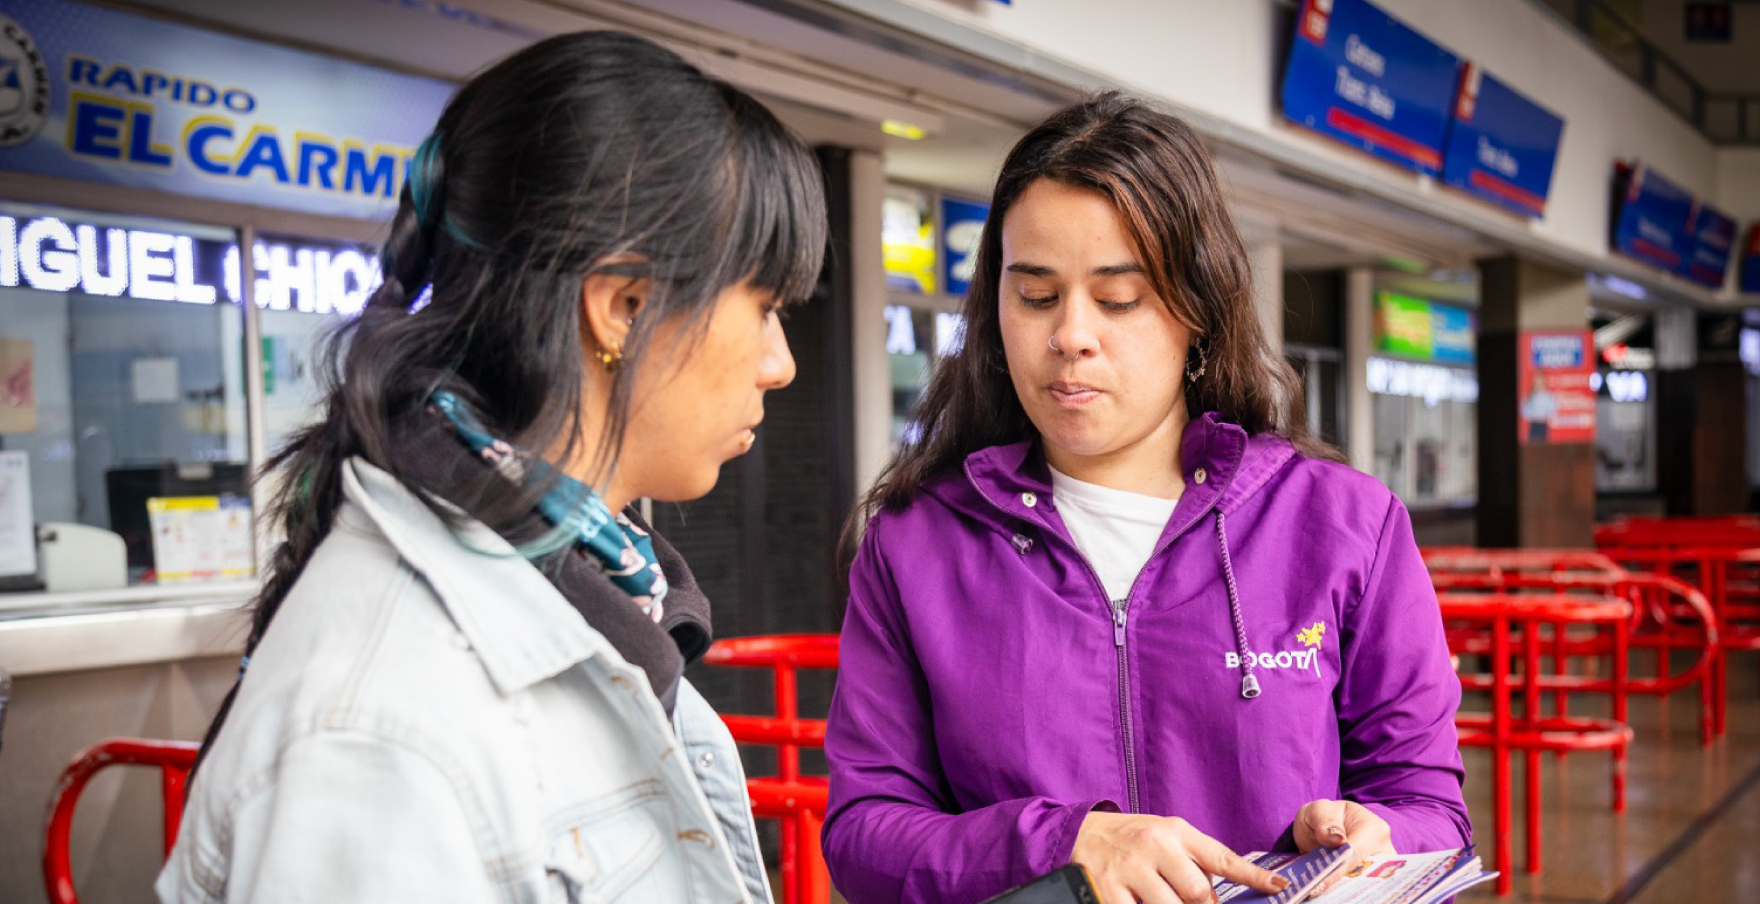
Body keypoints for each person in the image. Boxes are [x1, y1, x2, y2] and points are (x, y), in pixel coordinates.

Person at [158, 31, 825, 903]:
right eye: (766, 306)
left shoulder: (596, 595)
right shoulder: (383, 732)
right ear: (623, 307)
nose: (782, 363)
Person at [822, 92, 1468, 904]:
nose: (1071, 334)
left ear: (1197, 309)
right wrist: (1068, 843)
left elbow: (1430, 807)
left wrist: (1381, 839)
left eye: (1118, 298)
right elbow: (865, 835)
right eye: (1035, 295)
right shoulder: (919, 543)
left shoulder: (1343, 525)